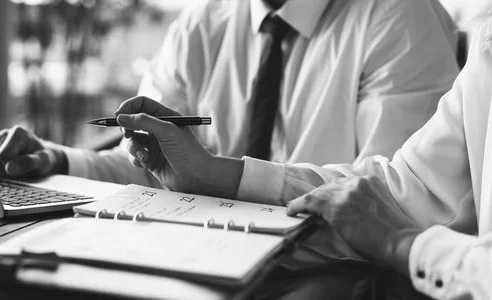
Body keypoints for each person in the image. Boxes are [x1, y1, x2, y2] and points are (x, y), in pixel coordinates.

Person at [114, 3, 492, 299]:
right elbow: (407, 188)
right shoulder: (198, 23)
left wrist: (404, 246)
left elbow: (391, 218)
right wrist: (216, 173)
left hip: (337, 269)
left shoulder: (399, 17)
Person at [0, 0, 459, 187]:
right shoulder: (200, 26)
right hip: (208, 247)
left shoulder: (400, 17)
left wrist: (221, 177)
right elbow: (155, 168)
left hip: (329, 264)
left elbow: (391, 196)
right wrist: (60, 161)